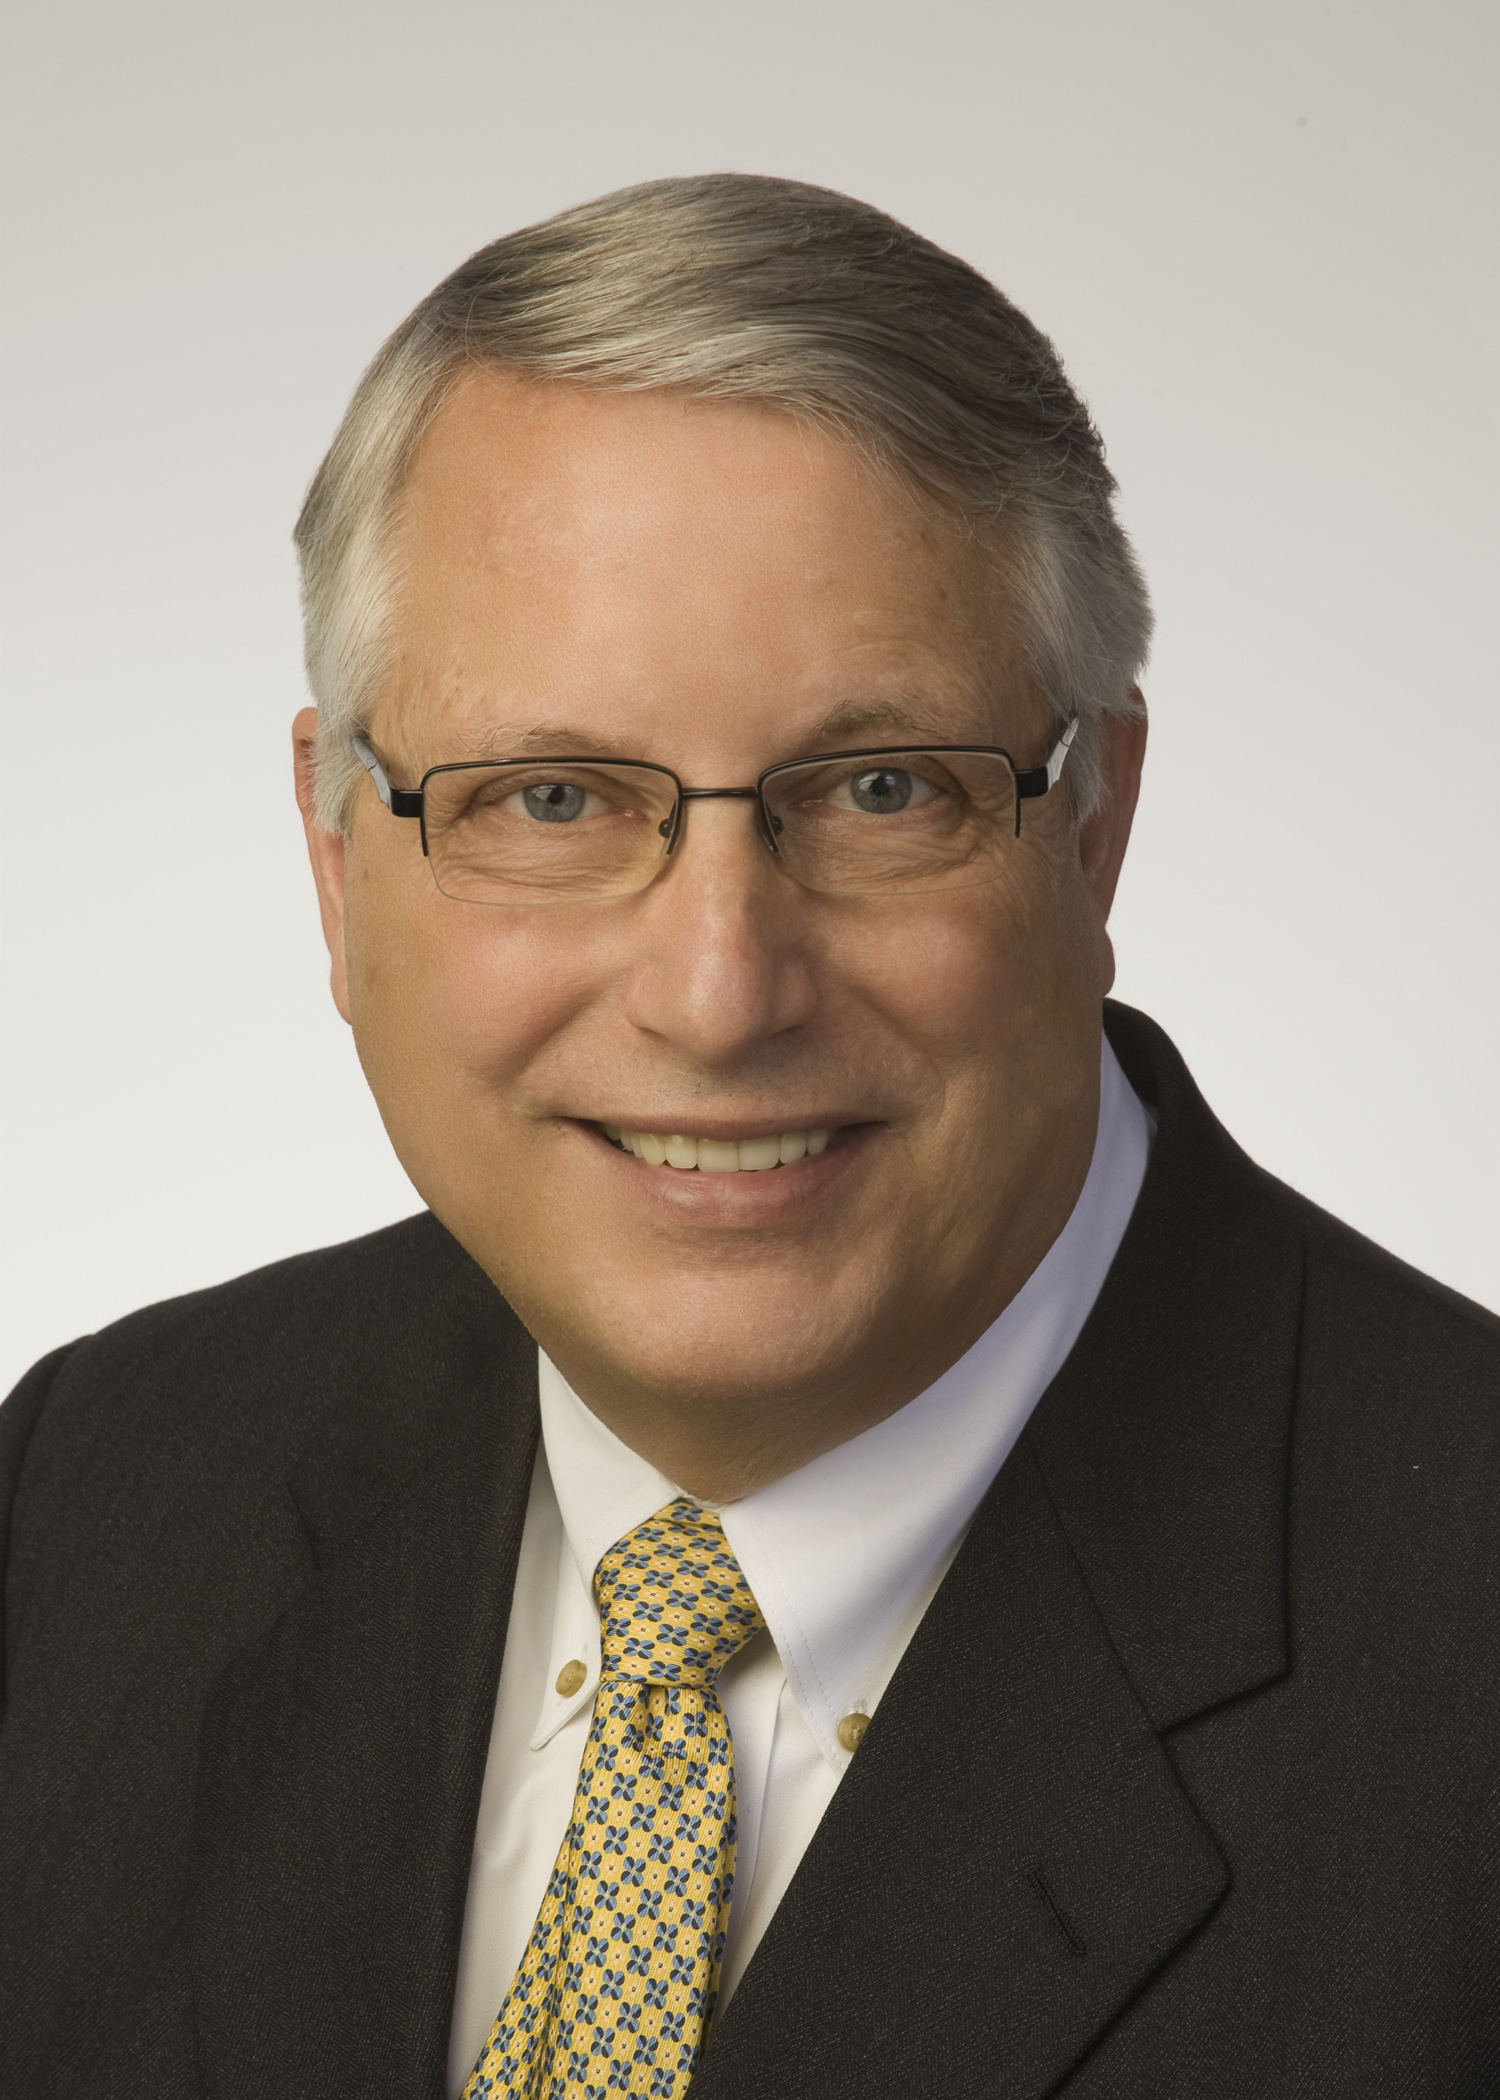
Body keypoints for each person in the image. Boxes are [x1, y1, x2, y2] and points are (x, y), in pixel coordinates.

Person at [1, 174, 1496, 2100]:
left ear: (1096, 824)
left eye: (880, 790)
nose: (719, 994)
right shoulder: (89, 1500)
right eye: (551, 797)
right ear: (334, 855)